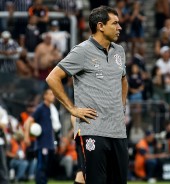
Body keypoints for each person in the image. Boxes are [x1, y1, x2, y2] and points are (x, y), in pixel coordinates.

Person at [46, 6, 128, 184]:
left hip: (118, 131)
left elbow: (123, 79)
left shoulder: (119, 51)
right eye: (115, 23)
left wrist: (122, 107)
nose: (119, 27)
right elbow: (53, 78)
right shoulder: (82, 51)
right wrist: (72, 109)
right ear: (100, 26)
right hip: (93, 130)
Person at [24, 88, 56, 184]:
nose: (52, 96)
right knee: (41, 166)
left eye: (53, 94)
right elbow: (28, 121)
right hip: (42, 143)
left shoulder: (51, 109)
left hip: (49, 143)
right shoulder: (40, 108)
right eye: (50, 94)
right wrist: (26, 136)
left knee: (46, 167)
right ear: (45, 96)